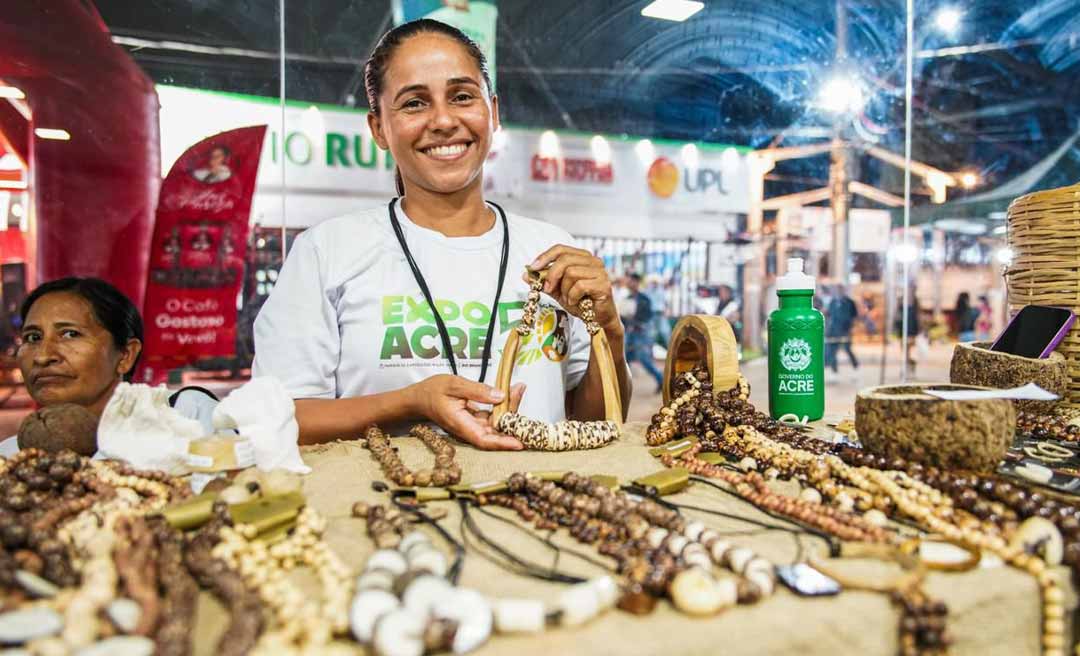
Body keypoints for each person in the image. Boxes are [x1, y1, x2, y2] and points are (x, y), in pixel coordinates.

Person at [252, 19, 632, 450]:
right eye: (414, 103)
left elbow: (598, 423)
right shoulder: (328, 251)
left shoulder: (552, 252)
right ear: (379, 128)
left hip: (536, 508)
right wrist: (411, 402)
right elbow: (281, 419)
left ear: (493, 111)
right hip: (388, 507)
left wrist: (609, 329)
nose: (444, 120)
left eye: (462, 97)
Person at [0, 277, 219, 455]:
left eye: (70, 334)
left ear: (125, 355)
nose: (43, 356)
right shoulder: (10, 457)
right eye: (32, 337)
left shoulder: (187, 417)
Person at [620, 273, 663, 393]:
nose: (629, 283)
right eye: (628, 281)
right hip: (630, 333)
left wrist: (634, 318)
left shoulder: (645, 299)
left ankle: (661, 379)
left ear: (637, 283)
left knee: (644, 359)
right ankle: (623, 385)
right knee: (624, 358)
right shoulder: (627, 298)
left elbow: (648, 316)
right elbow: (622, 317)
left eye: (632, 281)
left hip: (641, 333)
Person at [824, 285, 859, 377]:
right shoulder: (833, 302)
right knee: (832, 351)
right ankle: (834, 371)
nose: (838, 292)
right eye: (836, 290)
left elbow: (854, 316)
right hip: (834, 331)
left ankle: (856, 367)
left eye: (840, 290)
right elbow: (829, 314)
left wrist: (850, 327)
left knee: (847, 349)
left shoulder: (850, 302)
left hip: (845, 330)